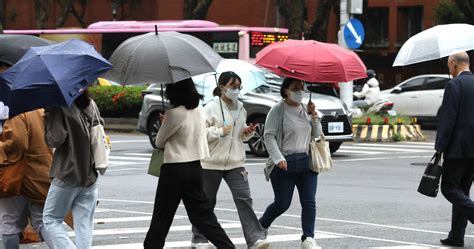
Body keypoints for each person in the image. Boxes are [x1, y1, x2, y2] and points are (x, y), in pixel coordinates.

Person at [144, 78, 235, 249]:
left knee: (162, 216)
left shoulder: (174, 113)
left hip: (174, 169)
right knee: (203, 216)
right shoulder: (198, 111)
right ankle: (227, 246)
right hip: (195, 168)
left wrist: (164, 123)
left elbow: (159, 142)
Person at [190, 72, 269, 249]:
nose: (236, 90)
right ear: (222, 87)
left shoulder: (241, 108)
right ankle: (199, 238)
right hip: (211, 162)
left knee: (244, 198)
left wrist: (246, 133)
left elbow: (239, 136)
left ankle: (255, 238)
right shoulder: (210, 107)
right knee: (207, 201)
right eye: (233, 86)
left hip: (236, 162)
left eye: (238, 87)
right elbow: (199, 134)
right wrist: (218, 132)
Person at [259, 77, 322, 249]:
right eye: (295, 88)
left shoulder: (305, 109)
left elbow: (316, 135)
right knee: (282, 204)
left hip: (306, 163)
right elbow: (269, 136)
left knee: (309, 201)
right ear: (286, 90)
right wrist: (278, 158)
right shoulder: (277, 110)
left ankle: (308, 238)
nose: (299, 91)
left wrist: (314, 115)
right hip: (284, 164)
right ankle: (261, 226)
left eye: (302, 87)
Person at [42, 88, 101, 249]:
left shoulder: (58, 107)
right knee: (84, 226)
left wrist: (47, 116)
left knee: (51, 219)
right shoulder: (91, 105)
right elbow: (100, 130)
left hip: (67, 172)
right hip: (90, 175)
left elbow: (55, 139)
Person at [436, 51, 474, 247]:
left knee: (449, 188)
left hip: (457, 149)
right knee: (463, 191)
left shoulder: (454, 85)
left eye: (448, 65)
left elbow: (448, 120)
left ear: (453, 63)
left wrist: (440, 147)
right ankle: (456, 235)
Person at [0, 109, 53, 249]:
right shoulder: (41, 110)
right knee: (42, 221)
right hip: (41, 173)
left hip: (18, 176)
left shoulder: (17, 112)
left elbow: (16, 144)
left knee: (10, 221)